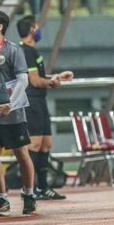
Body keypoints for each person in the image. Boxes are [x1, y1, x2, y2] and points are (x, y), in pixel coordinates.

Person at [0, 10, 37, 216]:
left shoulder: (13, 50)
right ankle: (0, 197)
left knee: (21, 154)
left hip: (12, 112)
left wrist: (10, 105)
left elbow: (23, 80)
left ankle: (30, 194)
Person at [17, 15, 74, 200]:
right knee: (34, 144)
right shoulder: (26, 51)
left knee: (46, 144)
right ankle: (29, 189)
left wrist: (55, 77)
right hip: (32, 101)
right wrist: (50, 82)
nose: (39, 30)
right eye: (37, 27)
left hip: (40, 101)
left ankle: (43, 187)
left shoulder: (33, 51)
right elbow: (33, 81)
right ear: (32, 29)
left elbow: (39, 77)